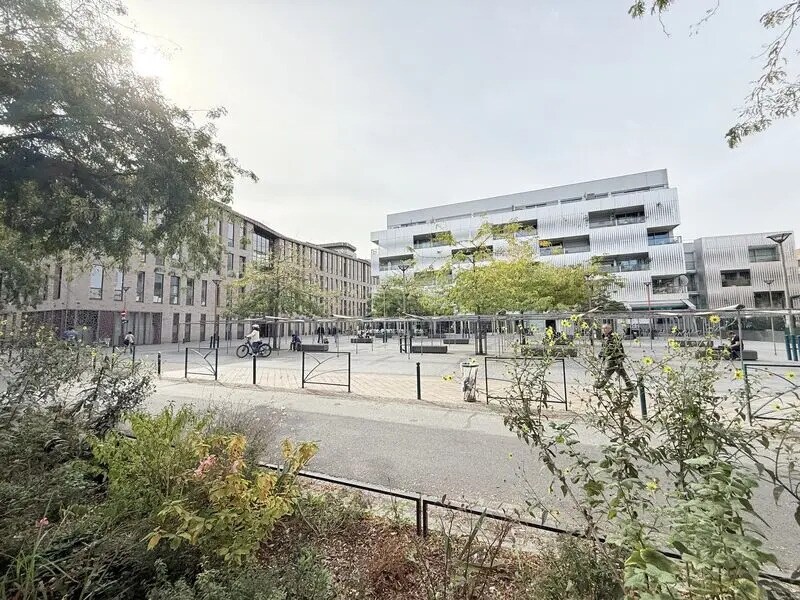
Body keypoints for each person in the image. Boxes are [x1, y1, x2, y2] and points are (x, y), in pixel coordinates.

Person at [594, 323, 635, 392]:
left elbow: (611, 348)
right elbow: (604, 348)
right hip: (613, 357)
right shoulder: (605, 336)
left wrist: (619, 357)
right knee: (621, 372)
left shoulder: (613, 337)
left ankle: (601, 385)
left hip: (614, 357)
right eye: (603, 328)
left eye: (606, 328)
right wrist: (601, 355)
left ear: (610, 329)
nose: (604, 330)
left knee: (608, 371)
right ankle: (630, 385)